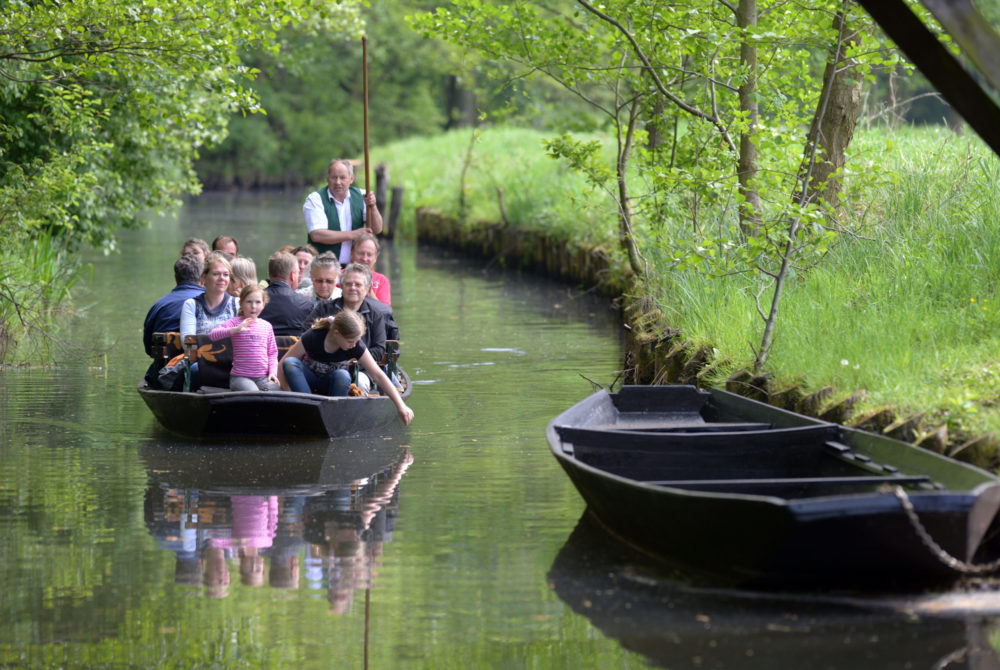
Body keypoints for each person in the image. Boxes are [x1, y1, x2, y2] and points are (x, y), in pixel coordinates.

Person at [278, 311, 414, 426]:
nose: (354, 345)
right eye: (350, 341)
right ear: (336, 333)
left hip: (331, 383)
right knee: (290, 363)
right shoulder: (314, 336)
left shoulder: (355, 345)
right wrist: (286, 391)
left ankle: (334, 416)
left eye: (356, 341)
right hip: (309, 381)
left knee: (343, 375)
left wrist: (401, 406)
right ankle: (307, 409)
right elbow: (283, 363)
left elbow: (378, 375)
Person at [309, 264, 390, 381]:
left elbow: (379, 350)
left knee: (361, 382)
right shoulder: (324, 308)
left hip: (361, 371)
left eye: (358, 284)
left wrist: (352, 358)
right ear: (341, 286)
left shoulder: (376, 315)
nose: (353, 288)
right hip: (322, 368)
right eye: (348, 284)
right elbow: (307, 333)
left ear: (368, 288)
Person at [302, 159, 383, 265]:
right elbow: (317, 235)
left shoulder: (362, 195)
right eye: (334, 177)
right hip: (322, 267)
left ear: (351, 178)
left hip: (354, 268)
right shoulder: (315, 199)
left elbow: (377, 229)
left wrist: (373, 206)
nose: (338, 182)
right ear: (327, 178)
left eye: (342, 178)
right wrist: (352, 234)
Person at [181, 252, 240, 390]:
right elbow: (187, 343)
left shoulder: (237, 304)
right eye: (216, 274)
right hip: (200, 362)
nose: (222, 278)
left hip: (232, 362)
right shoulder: (191, 305)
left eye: (225, 274)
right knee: (195, 370)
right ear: (204, 277)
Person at [142, 255, 205, 384]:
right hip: (205, 369)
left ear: (176, 279)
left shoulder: (159, 305)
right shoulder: (212, 303)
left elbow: (149, 349)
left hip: (165, 372)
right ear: (203, 279)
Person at [209, 285, 280, 391]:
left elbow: (272, 353)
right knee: (253, 393)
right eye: (249, 302)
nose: (253, 306)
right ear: (241, 304)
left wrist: (273, 372)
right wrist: (235, 330)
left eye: (258, 302)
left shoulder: (267, 326)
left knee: (276, 392)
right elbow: (212, 335)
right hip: (240, 377)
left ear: (263, 305)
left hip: (263, 377)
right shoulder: (235, 322)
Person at [259, 251, 313, 336]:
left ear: (269, 274)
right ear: (292, 275)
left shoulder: (255, 302)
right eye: (298, 272)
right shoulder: (306, 303)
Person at [350, 231, 391, 305]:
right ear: (352, 254)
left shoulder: (382, 281)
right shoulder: (338, 276)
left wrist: (369, 291)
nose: (365, 258)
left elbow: (384, 311)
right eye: (361, 253)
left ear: (375, 258)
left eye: (369, 255)